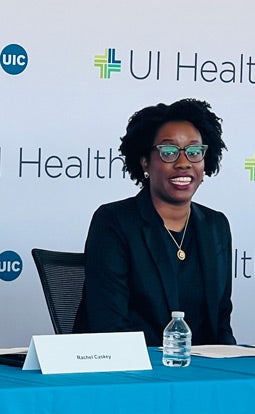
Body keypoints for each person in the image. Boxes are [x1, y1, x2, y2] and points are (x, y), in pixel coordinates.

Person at [74, 98, 236, 346]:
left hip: (202, 375)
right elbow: (109, 325)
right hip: (132, 374)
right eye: (168, 152)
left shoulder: (216, 226)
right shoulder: (114, 222)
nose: (184, 163)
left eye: (194, 152)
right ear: (145, 162)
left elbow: (221, 324)